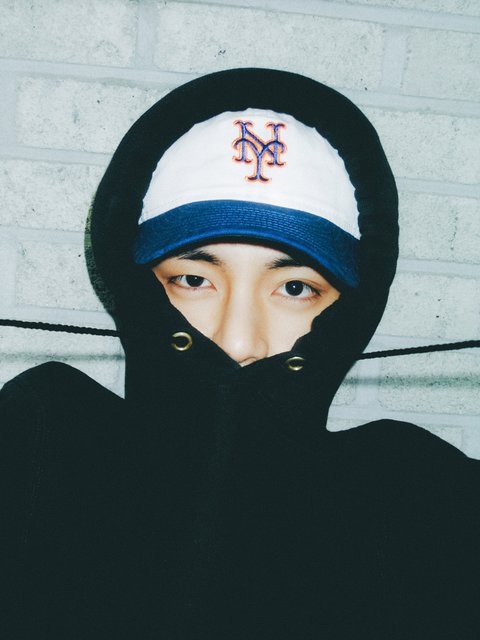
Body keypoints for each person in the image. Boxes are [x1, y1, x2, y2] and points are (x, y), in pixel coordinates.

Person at [1, 68, 479, 639]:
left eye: (295, 287)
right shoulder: (39, 439)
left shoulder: (423, 500)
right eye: (193, 280)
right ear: (136, 288)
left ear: (349, 312)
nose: (238, 342)